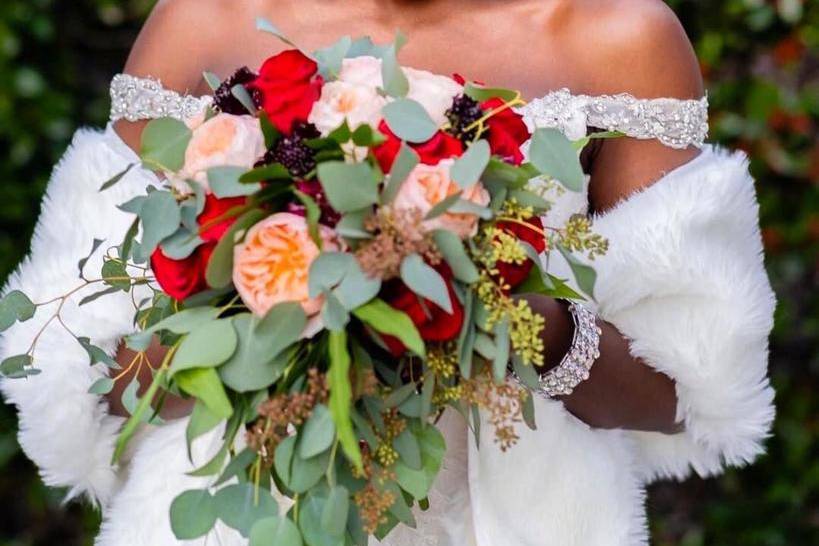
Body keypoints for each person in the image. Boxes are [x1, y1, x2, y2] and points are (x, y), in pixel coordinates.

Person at [0, 1, 776, 545]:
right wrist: (260, 302)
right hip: (234, 524)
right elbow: (84, 369)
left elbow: (691, 386)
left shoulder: (619, 37)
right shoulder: (205, 19)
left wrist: (495, 306)